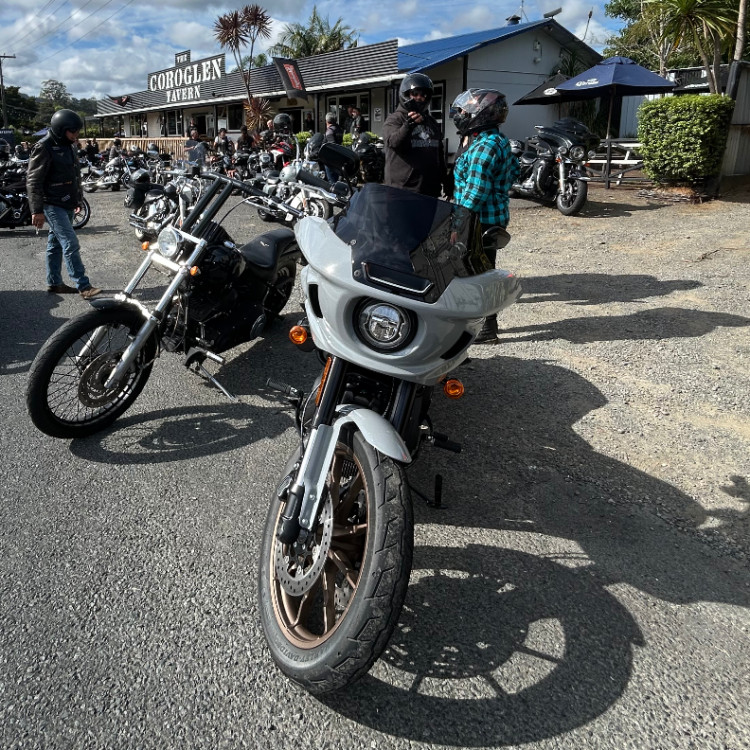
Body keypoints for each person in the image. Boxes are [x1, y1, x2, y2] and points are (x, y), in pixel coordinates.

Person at [450, 88, 519, 344]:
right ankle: (483, 324)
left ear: (480, 114)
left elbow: (475, 191)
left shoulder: (484, 146)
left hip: (479, 220)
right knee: (483, 270)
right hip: (492, 218)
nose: (459, 115)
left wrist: (457, 223)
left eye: (464, 111)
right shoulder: (497, 140)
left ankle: (486, 328)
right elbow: (514, 171)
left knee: (476, 273)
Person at [26, 109, 101, 298]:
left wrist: (77, 199)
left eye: (77, 131)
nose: (76, 135)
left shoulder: (69, 145)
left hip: (67, 202)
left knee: (55, 245)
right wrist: (36, 210)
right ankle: (84, 286)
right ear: (61, 129)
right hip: (51, 203)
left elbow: (75, 175)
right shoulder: (44, 147)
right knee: (70, 242)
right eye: (72, 131)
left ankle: (54, 283)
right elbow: (33, 181)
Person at [382, 73, 447, 199]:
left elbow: (439, 154)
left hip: (430, 191)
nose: (419, 98)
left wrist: (446, 181)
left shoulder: (431, 122)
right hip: (403, 191)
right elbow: (393, 142)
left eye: (423, 95)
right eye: (415, 93)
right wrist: (408, 126)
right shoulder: (395, 119)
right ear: (406, 94)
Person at [323, 112, 344, 183]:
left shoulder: (330, 131)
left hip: (330, 159)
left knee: (331, 181)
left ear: (327, 121)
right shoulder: (339, 129)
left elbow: (332, 146)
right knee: (336, 179)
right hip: (339, 157)